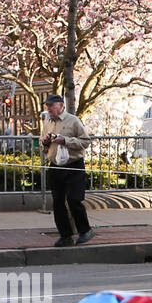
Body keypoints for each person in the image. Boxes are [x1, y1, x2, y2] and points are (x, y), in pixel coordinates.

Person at [41, 94, 94, 247]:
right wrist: (45, 142)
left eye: (51, 105)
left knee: (74, 199)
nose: (49, 109)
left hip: (73, 164)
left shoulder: (73, 121)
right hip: (55, 165)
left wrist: (65, 140)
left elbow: (85, 141)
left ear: (60, 105)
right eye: (47, 106)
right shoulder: (48, 122)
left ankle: (85, 230)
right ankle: (65, 235)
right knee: (57, 202)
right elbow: (42, 143)